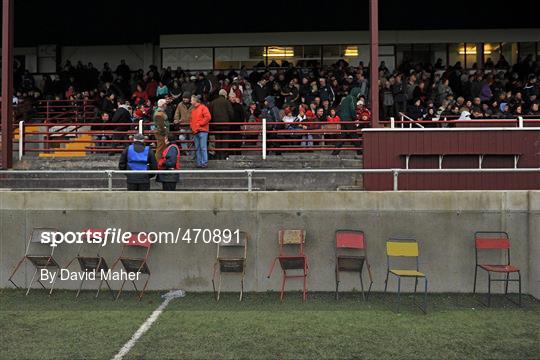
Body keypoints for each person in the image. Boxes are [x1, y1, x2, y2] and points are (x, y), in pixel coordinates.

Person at [208, 89, 234, 159]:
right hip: (226, 125)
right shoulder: (227, 102)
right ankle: (224, 156)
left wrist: (212, 123)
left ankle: (218, 155)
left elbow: (210, 115)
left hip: (216, 125)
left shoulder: (213, 103)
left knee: (217, 141)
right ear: (225, 95)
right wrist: (230, 121)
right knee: (225, 141)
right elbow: (231, 113)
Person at [190, 95, 212, 168]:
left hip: (202, 130)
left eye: (192, 100)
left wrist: (199, 124)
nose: (191, 101)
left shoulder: (203, 107)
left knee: (202, 147)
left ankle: (203, 163)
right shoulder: (195, 109)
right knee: (199, 148)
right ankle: (200, 163)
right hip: (197, 131)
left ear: (195, 101)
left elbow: (208, 117)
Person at [173, 92, 193, 156]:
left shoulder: (193, 105)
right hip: (182, 126)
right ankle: (186, 152)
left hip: (191, 126)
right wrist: (176, 120)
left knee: (191, 140)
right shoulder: (180, 105)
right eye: (183, 98)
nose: (184, 99)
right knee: (181, 138)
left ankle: (191, 154)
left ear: (189, 99)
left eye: (186, 98)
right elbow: (177, 113)